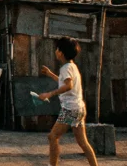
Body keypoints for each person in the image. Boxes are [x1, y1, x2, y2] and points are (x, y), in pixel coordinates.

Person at [38, 37, 98, 166]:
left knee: (53, 137)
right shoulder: (72, 66)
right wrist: (50, 74)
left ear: (60, 52)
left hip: (70, 109)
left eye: (57, 49)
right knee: (83, 142)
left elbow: (68, 86)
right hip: (79, 109)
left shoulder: (65, 68)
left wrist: (50, 94)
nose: (56, 51)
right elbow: (63, 82)